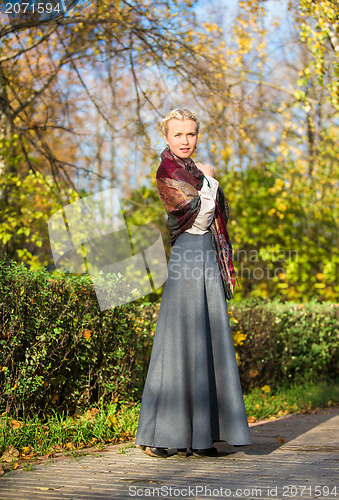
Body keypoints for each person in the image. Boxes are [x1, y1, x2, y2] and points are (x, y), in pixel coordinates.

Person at [134, 109, 252, 458]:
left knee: (209, 340)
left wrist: (208, 179)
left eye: (191, 134)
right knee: (178, 340)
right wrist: (211, 182)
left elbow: (216, 219)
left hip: (208, 258)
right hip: (187, 255)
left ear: (197, 136)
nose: (185, 141)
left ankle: (202, 437)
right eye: (178, 135)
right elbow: (198, 217)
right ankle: (162, 436)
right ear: (167, 138)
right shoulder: (167, 173)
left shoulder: (199, 172)